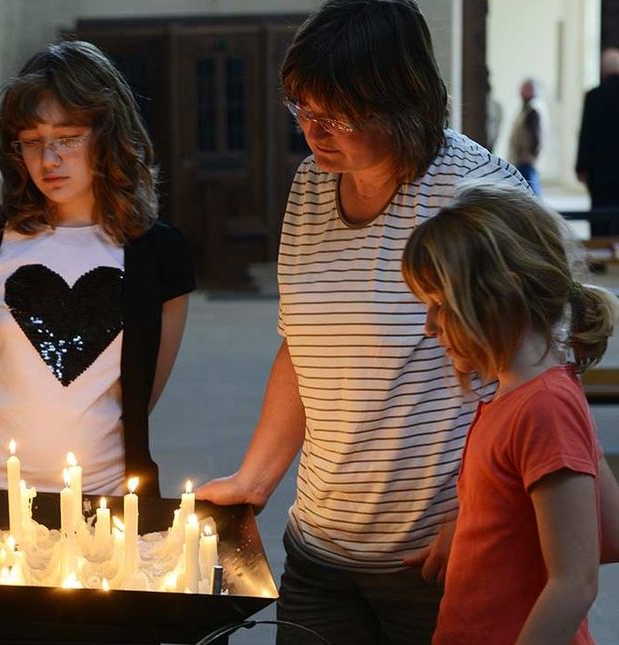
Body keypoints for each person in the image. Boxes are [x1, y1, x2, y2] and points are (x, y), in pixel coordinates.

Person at [195, 1, 528, 642]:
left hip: (440, 556)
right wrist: (255, 479)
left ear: (403, 103)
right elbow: (304, 346)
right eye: (302, 109)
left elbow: (536, 375)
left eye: (338, 116)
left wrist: (487, 515)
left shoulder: (477, 194)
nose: (314, 133)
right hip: (321, 553)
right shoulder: (311, 186)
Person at [0, 40, 194, 497]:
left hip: (110, 503)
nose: (48, 161)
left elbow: (140, 398)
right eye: (32, 142)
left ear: (108, 136)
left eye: (67, 138)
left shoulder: (161, 254)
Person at [401, 181, 619, 644]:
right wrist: (479, 530)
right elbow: (610, 530)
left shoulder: (543, 407)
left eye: (441, 306)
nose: (429, 325)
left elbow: (574, 582)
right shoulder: (526, 394)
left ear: (501, 293)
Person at [577, 48, 619, 232]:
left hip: (600, 171)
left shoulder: (594, 96)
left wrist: (581, 166)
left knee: (600, 217)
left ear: (603, 69)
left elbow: (586, 134)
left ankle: (599, 258)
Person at [508, 78, 543, 196]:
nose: (520, 92)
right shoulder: (527, 108)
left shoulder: (533, 109)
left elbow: (536, 134)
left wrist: (530, 153)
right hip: (522, 159)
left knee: (531, 194)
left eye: (523, 89)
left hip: (525, 160)